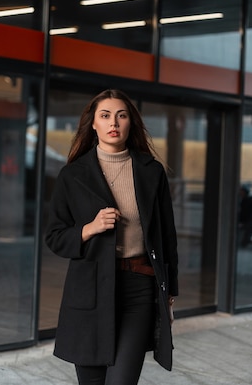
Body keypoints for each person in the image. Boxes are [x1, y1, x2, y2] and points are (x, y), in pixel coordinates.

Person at [45, 89, 179, 385]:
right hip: (89, 290)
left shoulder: (151, 172)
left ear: (131, 122)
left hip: (139, 290)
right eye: (105, 116)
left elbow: (167, 237)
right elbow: (54, 237)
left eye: (121, 115)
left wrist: (169, 294)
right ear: (93, 124)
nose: (113, 122)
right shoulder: (72, 175)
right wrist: (89, 228)